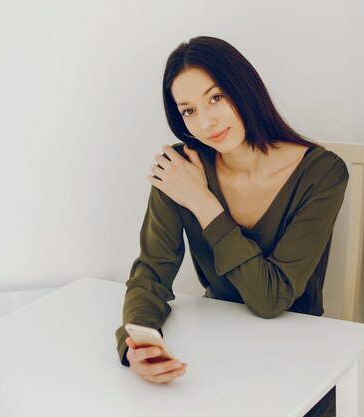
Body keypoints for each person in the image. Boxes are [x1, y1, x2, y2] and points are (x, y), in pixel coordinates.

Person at [114, 36, 348, 417]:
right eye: (188, 111)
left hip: (300, 356)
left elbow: (271, 300)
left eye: (216, 98)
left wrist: (203, 203)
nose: (205, 122)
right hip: (216, 347)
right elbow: (151, 276)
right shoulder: (181, 167)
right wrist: (138, 342)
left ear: (244, 88)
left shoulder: (322, 173)